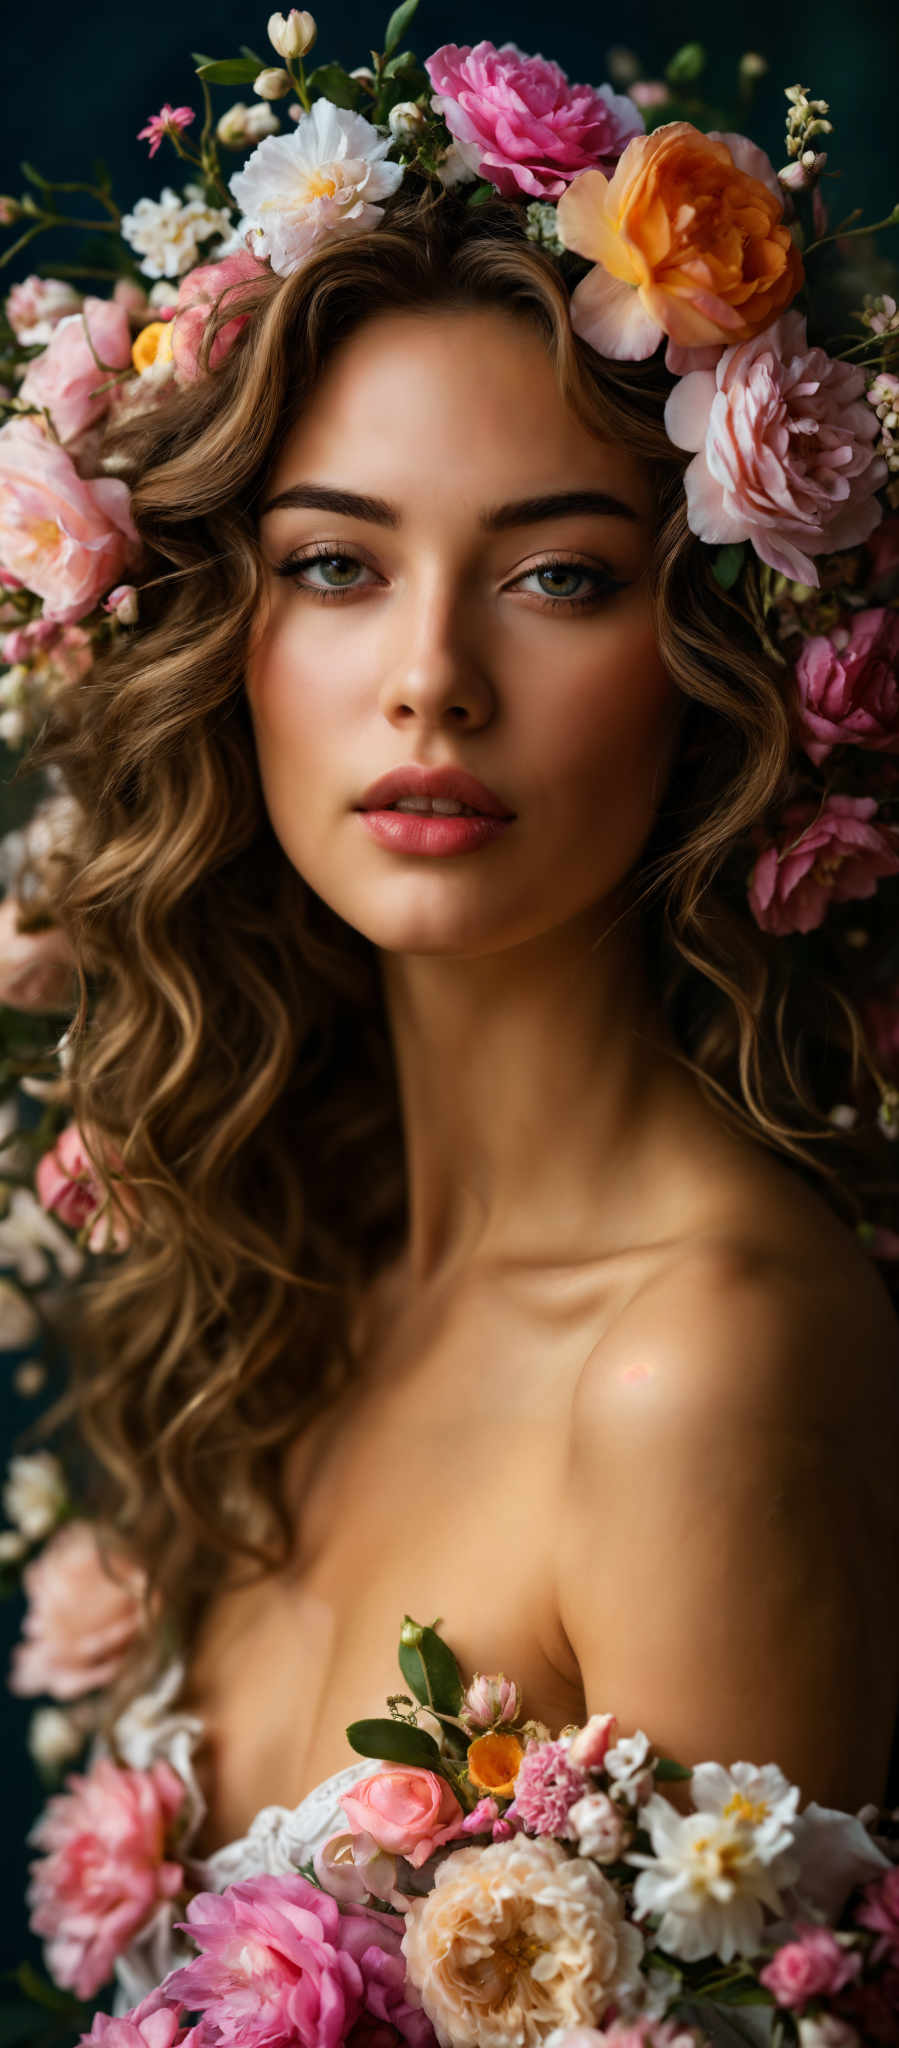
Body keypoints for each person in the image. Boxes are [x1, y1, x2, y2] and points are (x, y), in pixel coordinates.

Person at [4, 60, 899, 2033]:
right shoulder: (281, 1276)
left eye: (557, 575)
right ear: (222, 636)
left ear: (711, 657)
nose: (428, 677)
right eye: (336, 563)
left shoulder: (701, 1363)